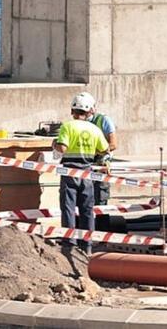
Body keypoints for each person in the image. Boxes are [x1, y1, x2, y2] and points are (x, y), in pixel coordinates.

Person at [53, 92, 108, 253]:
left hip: (70, 171)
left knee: (68, 208)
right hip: (87, 173)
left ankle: (69, 243)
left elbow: (62, 148)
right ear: (89, 111)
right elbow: (104, 149)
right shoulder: (94, 129)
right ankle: (87, 245)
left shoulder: (67, 126)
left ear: (72, 111)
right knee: (87, 209)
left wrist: (54, 144)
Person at [87, 108, 118, 208]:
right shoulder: (79, 123)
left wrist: (96, 151)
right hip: (86, 162)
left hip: (101, 163)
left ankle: (101, 222)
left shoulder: (104, 120)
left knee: (100, 196)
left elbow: (113, 145)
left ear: (92, 109)